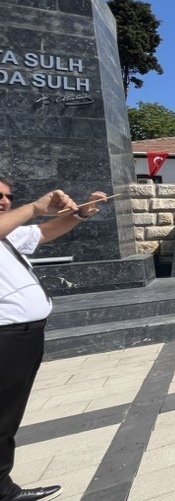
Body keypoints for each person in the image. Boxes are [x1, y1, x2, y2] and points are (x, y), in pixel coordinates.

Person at [1, 178, 107, 501]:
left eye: (8, 196)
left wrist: (82, 214)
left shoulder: (7, 236)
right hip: (6, 339)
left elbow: (45, 232)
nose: (4, 201)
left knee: (8, 417)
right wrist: (33, 207)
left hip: (25, 337)